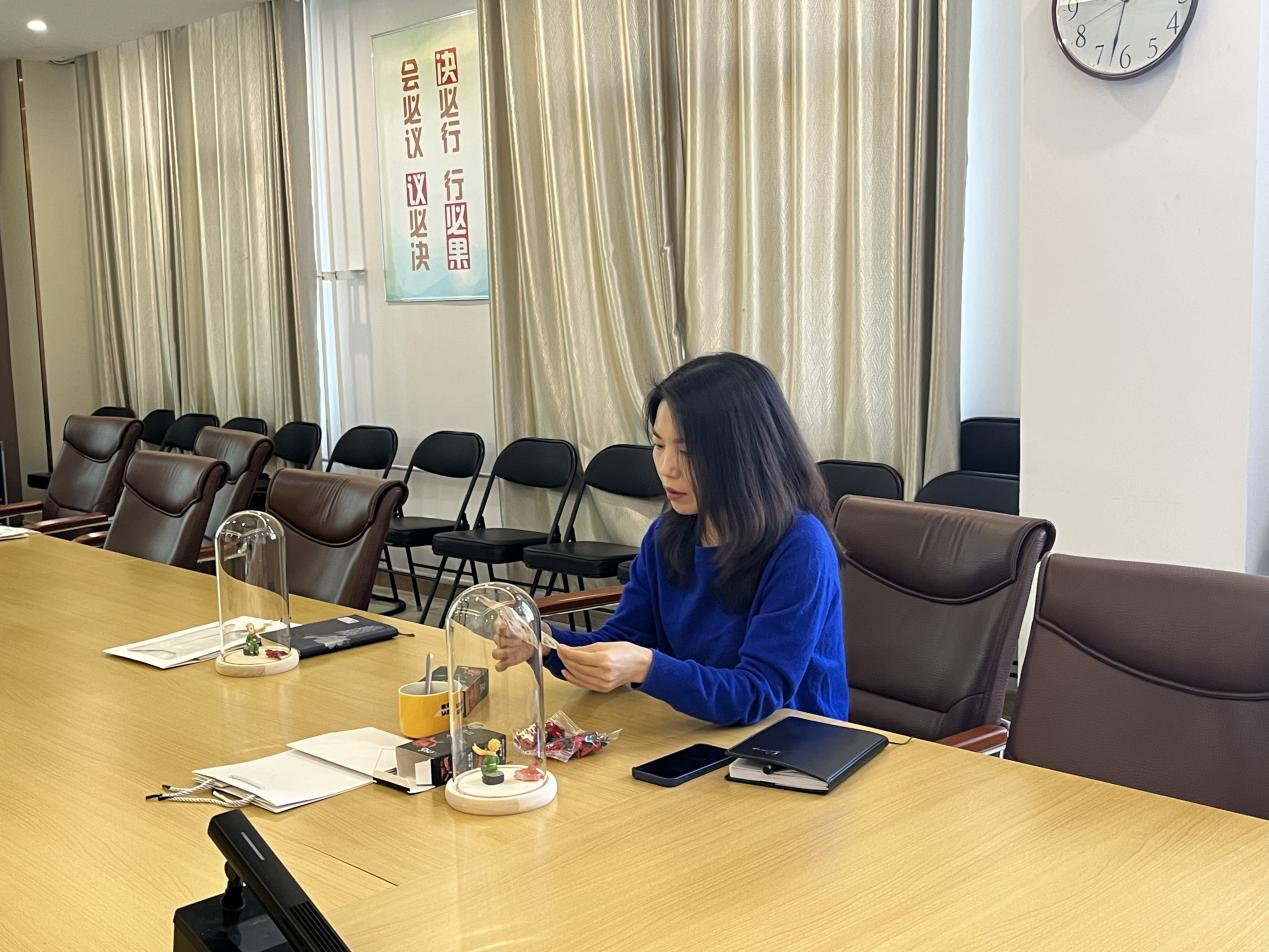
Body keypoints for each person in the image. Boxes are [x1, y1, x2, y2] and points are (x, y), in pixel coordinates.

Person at [494, 352, 849, 727]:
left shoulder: (801, 546)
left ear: (746, 452)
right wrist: (547, 643)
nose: (666, 468)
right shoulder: (667, 534)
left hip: (796, 740)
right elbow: (626, 637)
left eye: (687, 451)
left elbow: (756, 692)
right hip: (704, 729)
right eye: (659, 445)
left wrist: (647, 666)